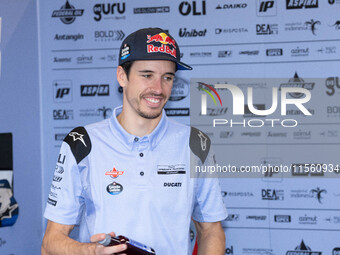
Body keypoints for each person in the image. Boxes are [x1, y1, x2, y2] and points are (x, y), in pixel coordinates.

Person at [42, 27, 227, 255]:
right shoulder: (82, 143)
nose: (158, 89)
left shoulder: (194, 143)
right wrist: (92, 251)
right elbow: (51, 242)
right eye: (147, 75)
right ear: (122, 76)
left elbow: (210, 230)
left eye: (167, 77)